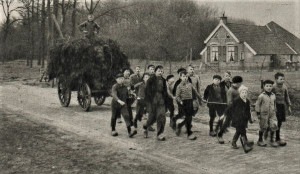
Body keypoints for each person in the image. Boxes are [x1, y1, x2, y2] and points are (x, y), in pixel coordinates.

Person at [143, 65, 169, 141]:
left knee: (161, 117)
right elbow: (147, 92)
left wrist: (166, 102)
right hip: (152, 101)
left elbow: (165, 92)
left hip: (161, 101)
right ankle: (146, 127)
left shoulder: (164, 80)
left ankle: (160, 134)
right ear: (155, 72)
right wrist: (148, 104)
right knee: (151, 118)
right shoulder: (150, 80)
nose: (160, 72)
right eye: (159, 71)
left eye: (161, 71)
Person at [226, 85, 253, 153]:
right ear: (240, 93)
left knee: (239, 131)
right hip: (237, 119)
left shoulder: (247, 101)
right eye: (242, 92)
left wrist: (250, 119)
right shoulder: (236, 100)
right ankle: (245, 145)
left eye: (245, 93)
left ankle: (234, 142)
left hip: (244, 119)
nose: (244, 94)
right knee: (242, 131)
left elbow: (248, 111)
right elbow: (230, 108)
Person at [175, 71, 201, 140]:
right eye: (183, 76)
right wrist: (180, 101)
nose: (185, 78)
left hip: (190, 102)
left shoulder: (190, 84)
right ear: (180, 77)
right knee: (188, 117)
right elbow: (177, 96)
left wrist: (201, 99)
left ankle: (180, 125)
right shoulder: (179, 86)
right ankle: (189, 133)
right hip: (183, 103)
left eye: (186, 76)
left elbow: (196, 92)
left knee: (189, 117)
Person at [110, 74, 137, 138]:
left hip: (123, 104)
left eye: (122, 78)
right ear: (116, 80)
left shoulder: (125, 87)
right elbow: (114, 95)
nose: (121, 80)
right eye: (119, 79)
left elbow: (127, 96)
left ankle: (129, 132)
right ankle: (113, 130)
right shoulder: (115, 86)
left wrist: (133, 95)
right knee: (114, 116)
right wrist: (119, 101)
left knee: (126, 116)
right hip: (115, 104)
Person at [255, 80, 278, 147]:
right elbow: (257, 105)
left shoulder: (273, 95)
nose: (269, 87)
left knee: (273, 126)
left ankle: (271, 140)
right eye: (267, 86)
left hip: (272, 114)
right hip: (263, 114)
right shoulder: (261, 96)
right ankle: (260, 140)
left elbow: (274, 104)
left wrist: (275, 111)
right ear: (264, 87)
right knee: (263, 127)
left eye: (270, 86)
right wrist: (258, 114)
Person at [272, 72, 291, 146]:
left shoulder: (284, 87)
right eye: (281, 79)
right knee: (274, 122)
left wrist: (289, 106)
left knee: (279, 123)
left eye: (283, 79)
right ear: (276, 79)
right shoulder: (273, 87)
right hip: (275, 107)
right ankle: (271, 138)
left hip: (282, 107)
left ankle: (277, 138)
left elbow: (287, 97)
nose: (282, 80)